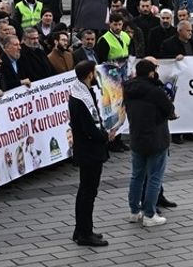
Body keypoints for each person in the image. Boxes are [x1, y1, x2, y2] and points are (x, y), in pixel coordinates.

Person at [124, 59, 175, 228]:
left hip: (137, 136)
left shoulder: (129, 88)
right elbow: (169, 109)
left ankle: (133, 211)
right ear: (151, 73)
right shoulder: (155, 91)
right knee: (154, 177)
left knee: (137, 175)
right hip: (156, 138)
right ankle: (149, 214)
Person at [68, 60, 112, 247]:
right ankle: (85, 234)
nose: (96, 76)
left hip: (87, 149)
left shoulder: (81, 92)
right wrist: (105, 136)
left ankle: (82, 229)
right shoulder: (81, 99)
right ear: (89, 75)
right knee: (88, 192)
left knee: (85, 191)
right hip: (90, 151)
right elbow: (89, 128)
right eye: (94, 73)